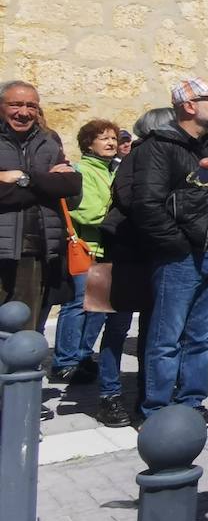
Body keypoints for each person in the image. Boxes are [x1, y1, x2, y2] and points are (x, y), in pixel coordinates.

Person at [128, 78, 208, 429]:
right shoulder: (159, 147)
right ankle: (155, 410)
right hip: (179, 256)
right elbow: (146, 204)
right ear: (189, 106)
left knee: (200, 336)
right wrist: (176, 246)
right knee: (165, 337)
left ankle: (191, 402)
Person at [93, 106, 176, 427]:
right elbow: (130, 200)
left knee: (152, 331)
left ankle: (147, 394)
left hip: (148, 253)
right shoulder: (137, 157)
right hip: (119, 252)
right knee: (114, 329)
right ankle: (109, 396)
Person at [0, 81, 82, 332]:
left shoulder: (48, 139)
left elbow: (70, 184)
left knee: (26, 329)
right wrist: (45, 184)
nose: (23, 112)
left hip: (36, 250)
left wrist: (21, 179)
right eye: (15, 104)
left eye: (31, 106)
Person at [48, 119, 121, 385]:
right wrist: (120, 214)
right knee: (78, 305)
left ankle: (83, 355)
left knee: (100, 308)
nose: (111, 142)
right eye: (103, 138)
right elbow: (88, 212)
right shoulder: (83, 171)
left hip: (107, 249)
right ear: (89, 144)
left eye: (113, 138)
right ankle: (64, 362)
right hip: (87, 247)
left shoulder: (112, 170)